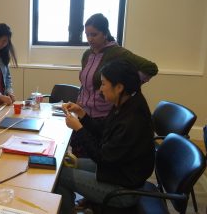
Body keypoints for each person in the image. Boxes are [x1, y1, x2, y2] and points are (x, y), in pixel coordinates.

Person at [55, 60, 155, 214]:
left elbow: (101, 157)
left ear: (119, 87)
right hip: (117, 172)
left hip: (124, 190)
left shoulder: (132, 119)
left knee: (59, 176)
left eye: (103, 84)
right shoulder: (129, 102)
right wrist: (82, 114)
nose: (100, 89)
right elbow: (104, 130)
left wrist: (79, 129)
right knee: (62, 166)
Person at [72, 13, 158, 159]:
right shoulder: (87, 54)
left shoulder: (118, 52)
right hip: (85, 113)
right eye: (87, 35)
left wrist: (126, 85)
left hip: (103, 115)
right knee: (77, 158)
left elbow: (151, 68)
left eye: (94, 34)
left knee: (95, 156)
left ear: (105, 33)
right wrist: (80, 104)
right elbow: (85, 84)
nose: (90, 39)